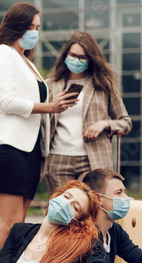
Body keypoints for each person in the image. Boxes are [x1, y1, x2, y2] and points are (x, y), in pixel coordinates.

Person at [0, 2, 80, 259]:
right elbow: (6, 101)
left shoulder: (27, 62)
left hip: (29, 150)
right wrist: (50, 107)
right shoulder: (2, 53)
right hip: (9, 146)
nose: (34, 32)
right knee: (10, 223)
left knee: (19, 224)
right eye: (30, 27)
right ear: (15, 25)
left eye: (37, 27)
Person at [43, 30, 132, 196]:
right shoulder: (50, 85)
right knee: (63, 214)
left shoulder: (103, 84)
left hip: (93, 159)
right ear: (65, 55)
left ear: (91, 59)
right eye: (73, 55)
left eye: (82, 57)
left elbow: (125, 121)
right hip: (57, 159)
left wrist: (104, 124)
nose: (76, 60)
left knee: (93, 211)